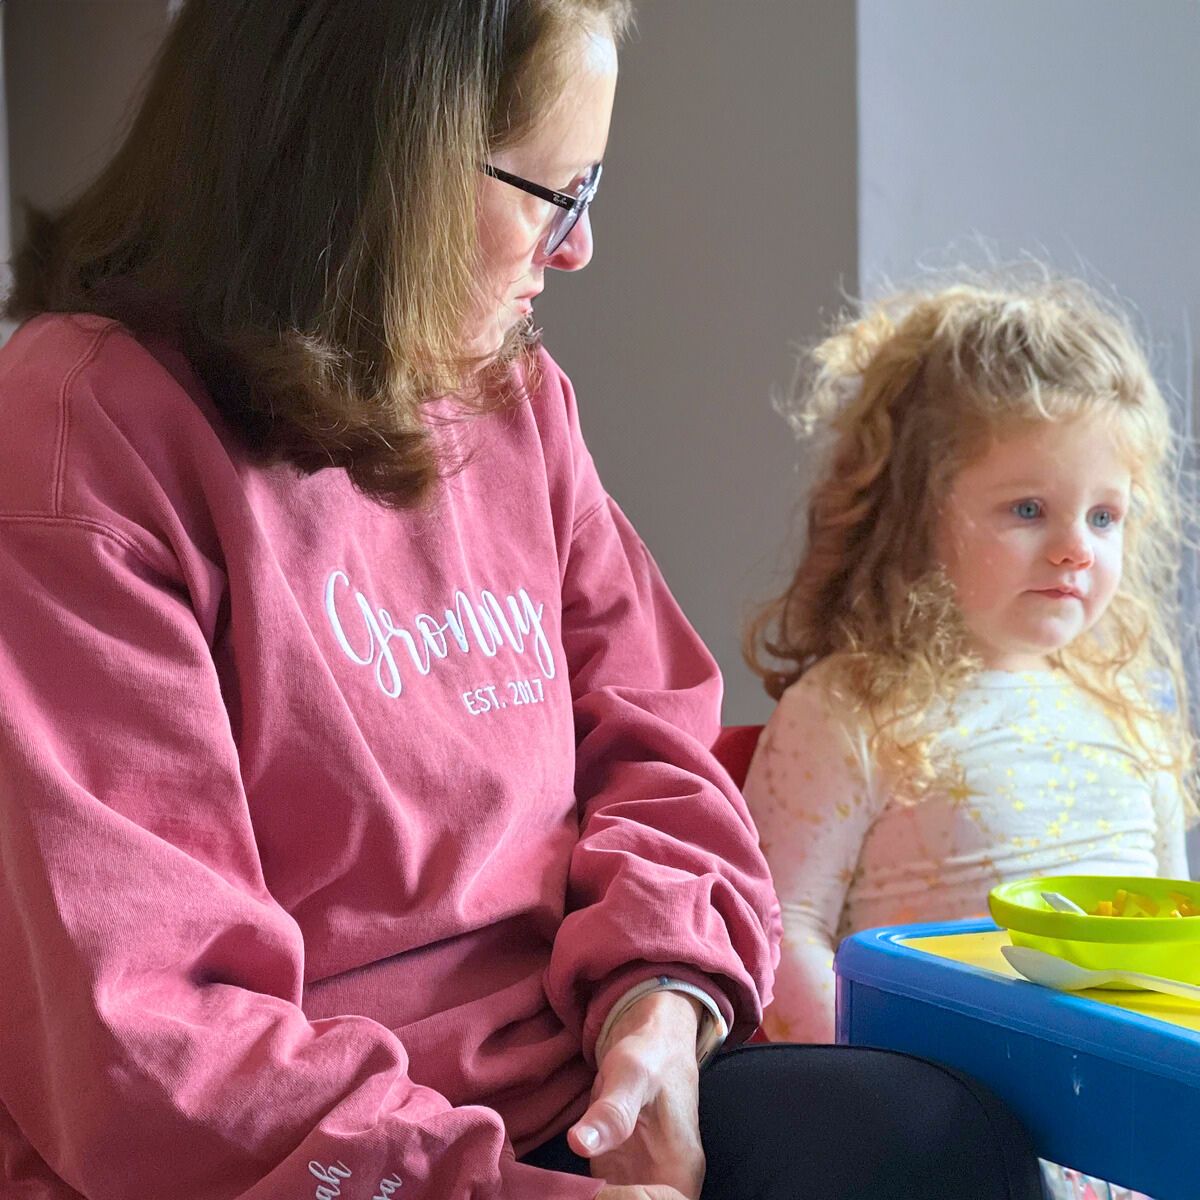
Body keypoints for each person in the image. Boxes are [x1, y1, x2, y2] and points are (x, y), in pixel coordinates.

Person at [0, 4, 1046, 1198]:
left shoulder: (514, 397)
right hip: (313, 1162)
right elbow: (148, 1031)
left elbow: (655, 744)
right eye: (558, 189)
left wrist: (662, 1004)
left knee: (939, 1142)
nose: (578, 247)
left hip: (572, 1092)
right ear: (382, 165)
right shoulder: (75, 441)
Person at [743, 275, 1196, 1199]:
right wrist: (889, 1104)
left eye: (1104, 516)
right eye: (1029, 509)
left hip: (1123, 1148)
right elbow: (777, 931)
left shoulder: (1126, 713)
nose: (1077, 547)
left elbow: (1171, 931)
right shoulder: (851, 707)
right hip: (935, 1143)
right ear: (916, 513)